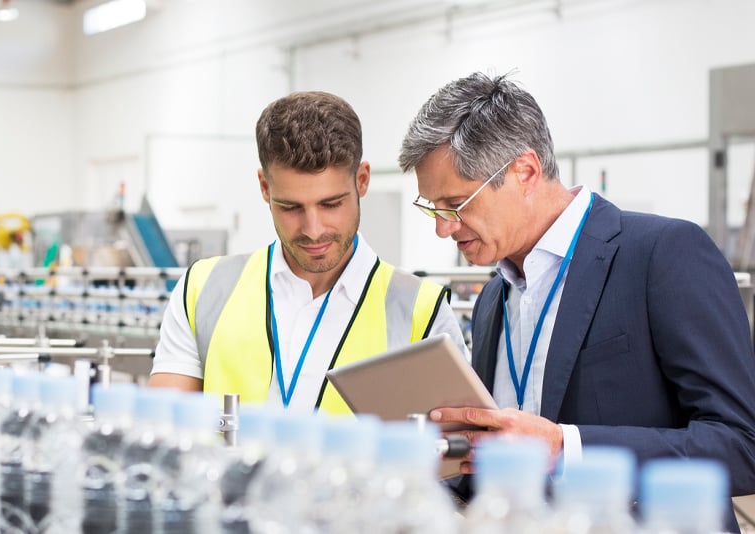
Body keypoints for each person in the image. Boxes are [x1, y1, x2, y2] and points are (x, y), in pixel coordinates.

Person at [398, 72, 755, 532]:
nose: (443, 229)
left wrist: (566, 447)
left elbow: (742, 444)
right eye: (433, 209)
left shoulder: (661, 254)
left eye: (455, 204)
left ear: (524, 172)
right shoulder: (493, 297)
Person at [149, 90, 468, 414]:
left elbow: (448, 457)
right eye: (290, 207)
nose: (313, 229)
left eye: (331, 204)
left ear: (362, 180)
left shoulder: (422, 313)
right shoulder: (203, 290)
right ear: (264, 187)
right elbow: (162, 433)